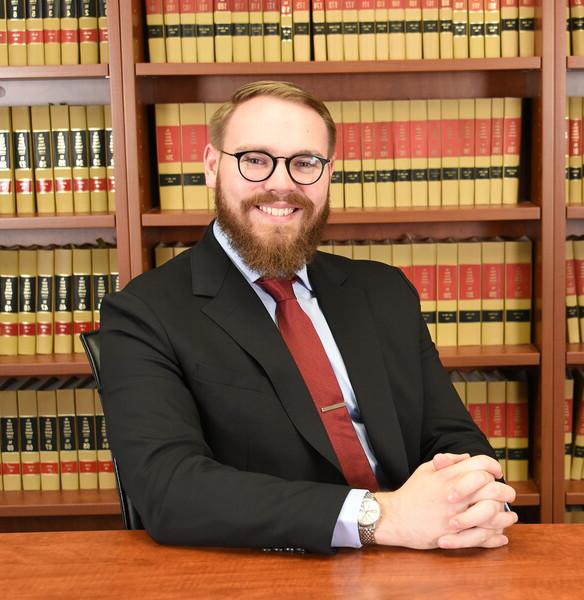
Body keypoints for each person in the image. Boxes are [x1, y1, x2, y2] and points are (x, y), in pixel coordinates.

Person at [100, 80, 517, 555]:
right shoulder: (143, 313)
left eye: (305, 163)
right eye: (255, 159)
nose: (282, 184)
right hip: (272, 568)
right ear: (212, 167)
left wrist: (475, 494)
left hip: (420, 554)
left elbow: (450, 434)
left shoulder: (384, 291)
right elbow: (170, 489)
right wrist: (381, 517)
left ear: (328, 174)